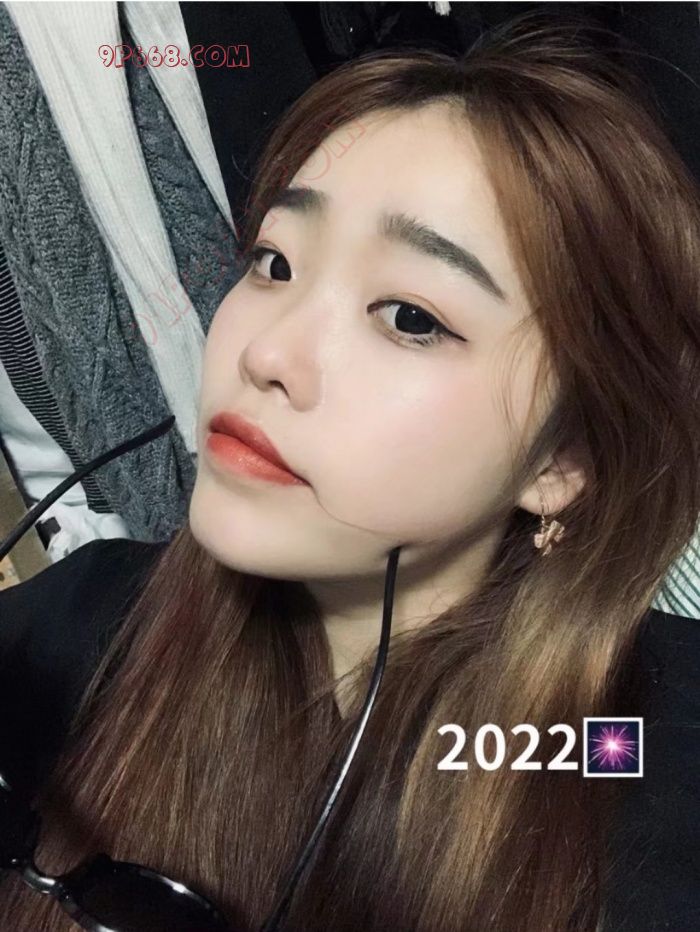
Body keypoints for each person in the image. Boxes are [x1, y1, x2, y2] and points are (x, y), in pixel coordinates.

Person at [1, 13, 700, 932]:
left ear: (566, 460)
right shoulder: (71, 630)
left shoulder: (645, 759)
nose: (266, 353)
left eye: (410, 316)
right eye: (273, 263)